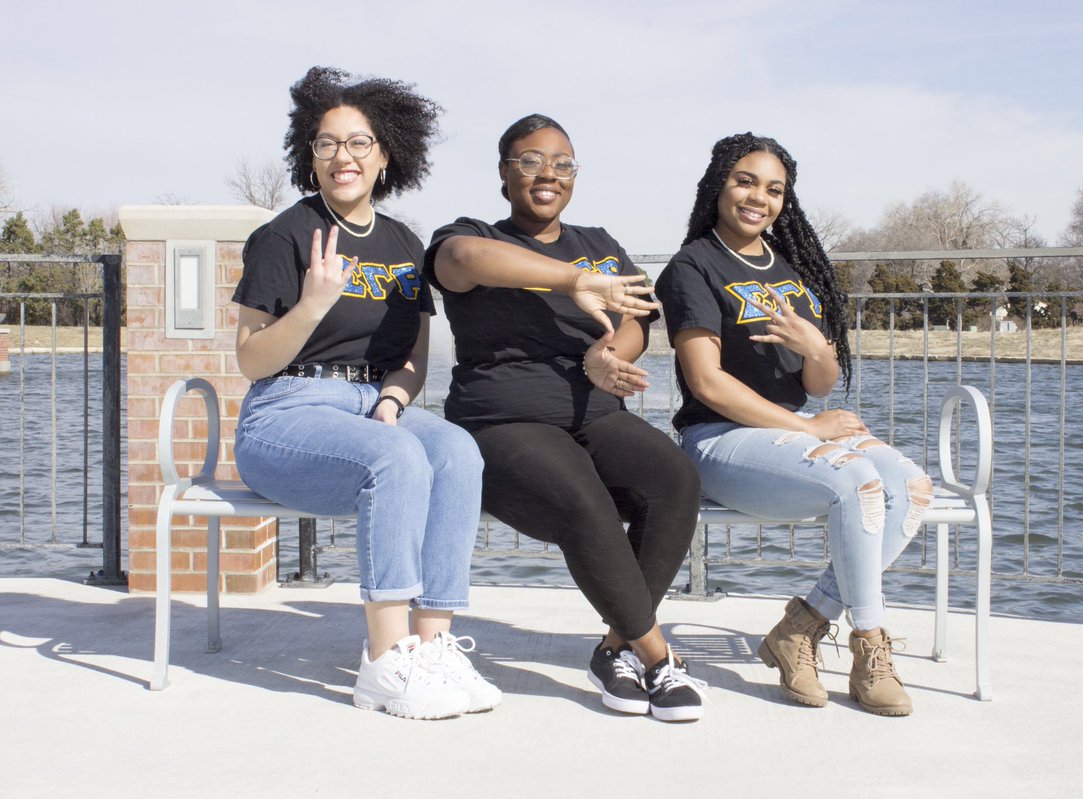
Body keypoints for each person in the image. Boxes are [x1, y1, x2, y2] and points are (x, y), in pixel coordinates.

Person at [232, 66, 498, 721]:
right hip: (285, 414)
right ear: (309, 154)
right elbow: (249, 358)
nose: (341, 156)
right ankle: (384, 659)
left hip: (369, 406)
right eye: (327, 143)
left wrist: (392, 403)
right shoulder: (285, 236)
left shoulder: (404, 244)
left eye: (358, 143)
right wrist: (313, 304)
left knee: (457, 450)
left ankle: (432, 646)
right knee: (397, 458)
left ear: (386, 155)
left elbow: (413, 353)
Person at [424, 113, 708, 722]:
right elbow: (466, 259)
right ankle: (658, 659)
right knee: (585, 500)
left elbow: (635, 318)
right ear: (504, 174)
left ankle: (614, 648)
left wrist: (605, 353)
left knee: (674, 479)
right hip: (503, 421)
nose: (547, 173)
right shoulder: (470, 233)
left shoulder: (599, 242)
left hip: (594, 411)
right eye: (529, 161)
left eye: (562, 163)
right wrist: (575, 282)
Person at [656, 133, 933, 716]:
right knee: (855, 478)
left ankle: (803, 624)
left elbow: (819, 384)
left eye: (775, 189)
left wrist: (817, 346)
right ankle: (869, 646)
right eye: (746, 181)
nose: (760, 198)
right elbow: (706, 383)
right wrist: (810, 430)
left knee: (909, 486)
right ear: (718, 186)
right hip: (720, 440)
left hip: (795, 426)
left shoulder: (791, 268)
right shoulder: (692, 267)